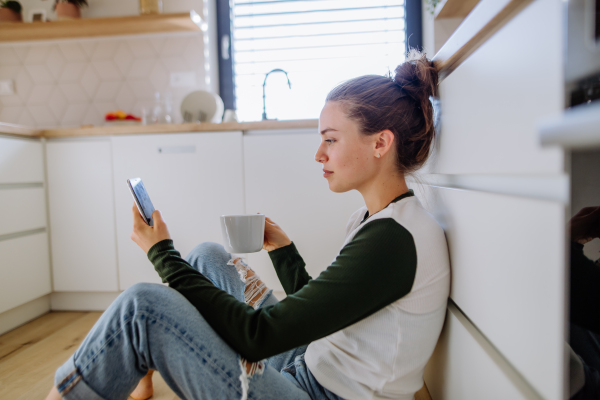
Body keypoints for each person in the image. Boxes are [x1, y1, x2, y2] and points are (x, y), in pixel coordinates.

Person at [45, 49, 450, 400]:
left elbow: (259, 336)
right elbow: (330, 315)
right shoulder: (382, 219)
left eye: (330, 139)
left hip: (318, 392)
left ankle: (134, 356)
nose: (318, 154)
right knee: (209, 256)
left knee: (142, 307)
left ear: (380, 143)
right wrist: (284, 252)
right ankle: (138, 366)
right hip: (313, 364)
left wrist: (162, 254)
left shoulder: (393, 240)